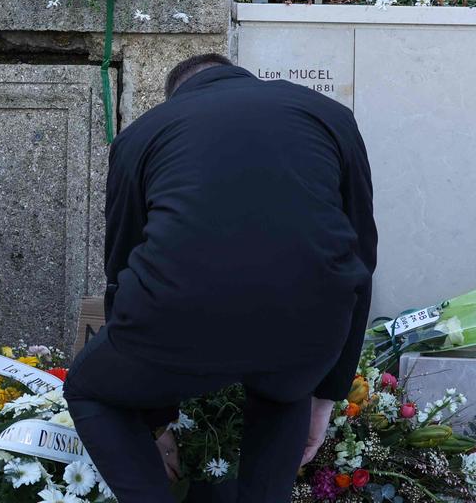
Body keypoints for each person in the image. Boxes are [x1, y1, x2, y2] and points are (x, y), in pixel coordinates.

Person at [64, 54, 377, 503]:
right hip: (308, 320)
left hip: (178, 312)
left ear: (176, 96)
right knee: (285, 386)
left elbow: (121, 268)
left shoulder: (142, 134)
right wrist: (325, 394)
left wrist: (154, 419)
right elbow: (362, 255)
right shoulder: (329, 114)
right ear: (241, 77)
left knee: (89, 389)